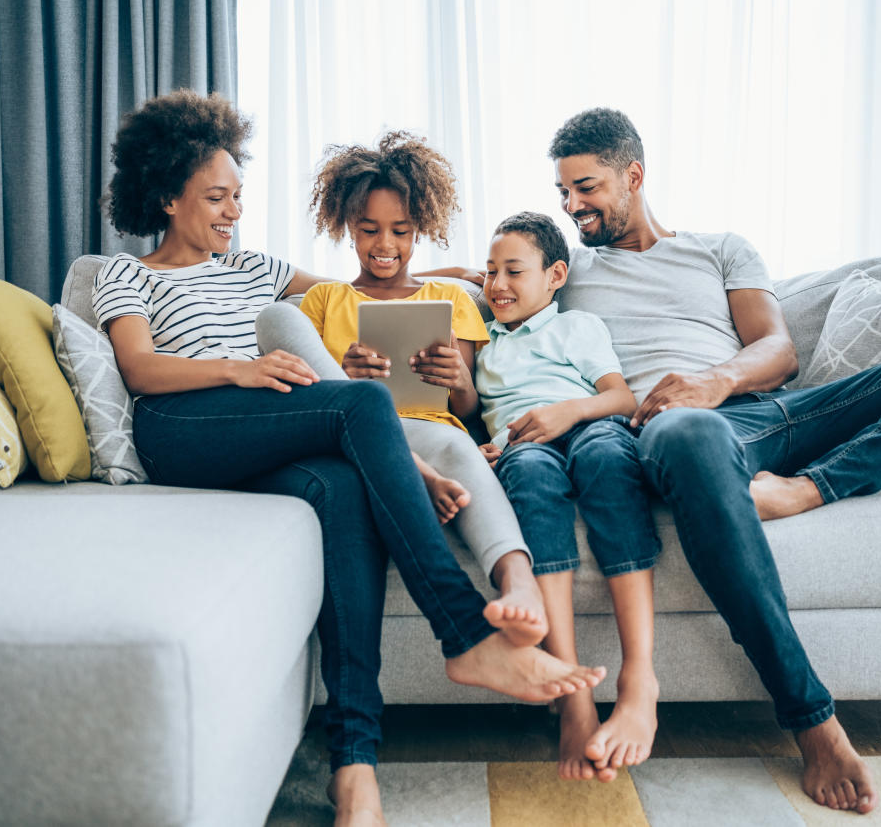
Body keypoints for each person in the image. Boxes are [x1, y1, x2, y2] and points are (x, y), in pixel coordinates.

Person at [94, 89, 605, 827]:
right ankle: (466, 635)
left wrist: (468, 278)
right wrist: (239, 368)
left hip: (264, 433)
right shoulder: (126, 274)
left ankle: (355, 768)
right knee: (361, 403)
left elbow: (367, 286)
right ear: (168, 196)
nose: (234, 212)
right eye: (216, 197)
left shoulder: (256, 268)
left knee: (341, 490)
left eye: (238, 196)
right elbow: (141, 371)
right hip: (184, 428)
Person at [547, 107, 881, 813]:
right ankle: (812, 719)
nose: (574, 206)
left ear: (633, 176)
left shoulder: (720, 248)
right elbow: (476, 280)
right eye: (563, 194)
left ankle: (813, 487)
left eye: (586, 188)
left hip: (775, 412)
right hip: (670, 433)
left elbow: (778, 350)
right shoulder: (565, 271)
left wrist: (717, 379)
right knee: (693, 435)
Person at [275, 131, 548, 647]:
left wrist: (458, 380)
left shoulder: (451, 298)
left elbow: (466, 409)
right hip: (353, 437)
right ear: (347, 228)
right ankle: (414, 477)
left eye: (400, 231)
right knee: (410, 443)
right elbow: (304, 395)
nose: (385, 245)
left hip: (430, 431)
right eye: (369, 229)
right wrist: (344, 375)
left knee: (453, 444)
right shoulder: (323, 301)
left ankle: (517, 581)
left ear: (418, 229)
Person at [474, 211, 662, 782]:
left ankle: (640, 674)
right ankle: (571, 694)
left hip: (586, 423)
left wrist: (567, 411)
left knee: (607, 458)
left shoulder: (575, 326)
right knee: (529, 476)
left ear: (556, 275)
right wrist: (485, 446)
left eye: (513, 271)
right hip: (523, 445)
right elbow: (475, 419)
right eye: (488, 273)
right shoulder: (481, 346)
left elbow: (621, 398)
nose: (497, 285)